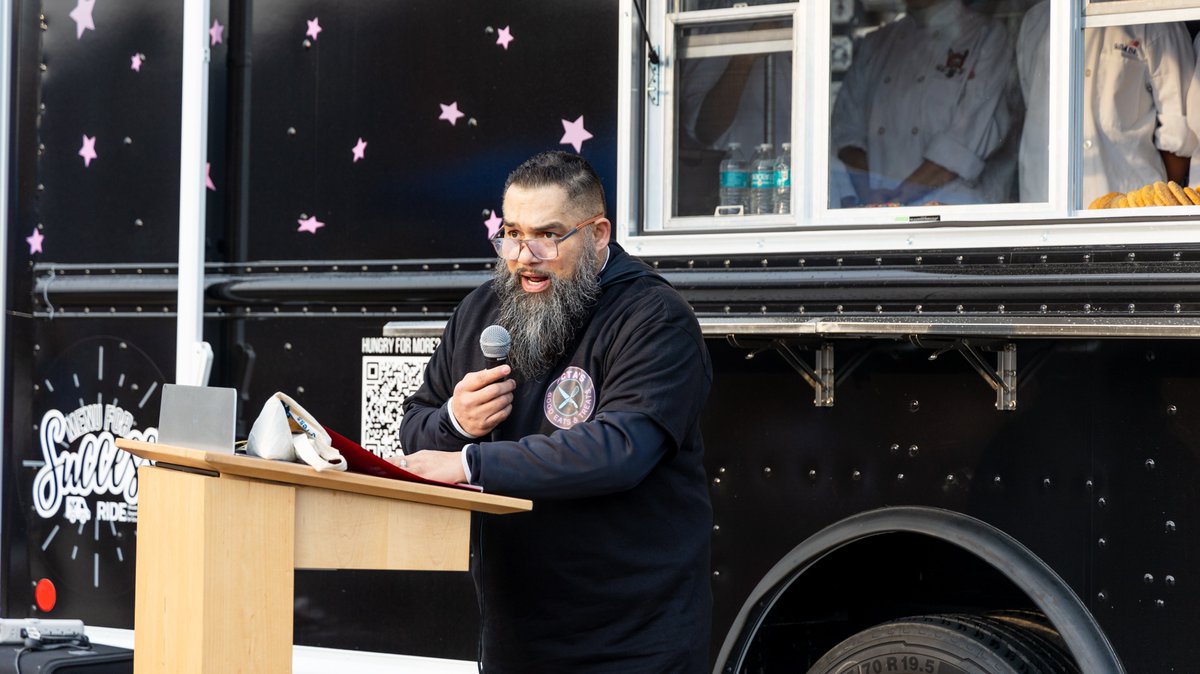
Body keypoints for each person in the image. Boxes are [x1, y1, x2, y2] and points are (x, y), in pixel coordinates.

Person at [396, 151, 714, 672]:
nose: (524, 255)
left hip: (632, 641)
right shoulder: (480, 311)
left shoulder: (655, 318)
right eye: (512, 233)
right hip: (515, 637)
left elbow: (620, 448)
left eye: (548, 235)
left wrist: (473, 463)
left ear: (597, 234)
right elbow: (416, 426)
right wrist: (455, 423)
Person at [830, 0, 1014, 206]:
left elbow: (965, 140)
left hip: (949, 211)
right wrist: (872, 194)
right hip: (876, 208)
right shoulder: (876, 43)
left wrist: (898, 198)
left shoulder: (986, 35)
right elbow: (846, 132)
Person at [1018, 1, 1195, 204]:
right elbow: (1034, 109)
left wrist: (1145, 204)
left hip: (1126, 212)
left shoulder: (1154, 15)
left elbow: (1180, 136)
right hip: (1044, 207)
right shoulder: (1036, 21)